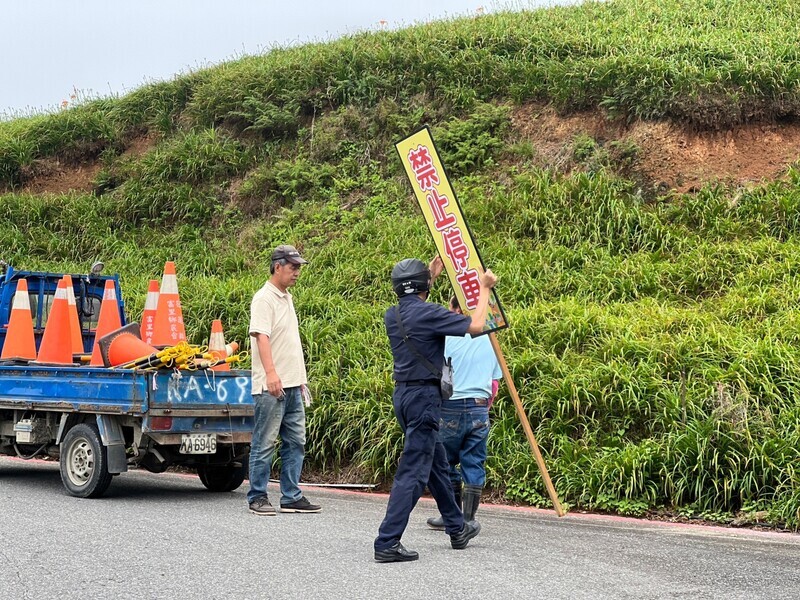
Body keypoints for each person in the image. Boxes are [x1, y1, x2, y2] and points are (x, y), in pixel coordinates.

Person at [374, 256, 497, 563]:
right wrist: (484, 289)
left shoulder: (393, 315)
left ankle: (457, 528)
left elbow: (413, 296)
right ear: (424, 287)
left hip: (403, 397)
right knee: (414, 471)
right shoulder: (429, 313)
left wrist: (431, 275)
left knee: (437, 464)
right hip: (425, 400)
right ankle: (387, 541)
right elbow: (478, 324)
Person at [247, 244, 321, 516]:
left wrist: (298, 379)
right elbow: (261, 337)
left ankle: (291, 496)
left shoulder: (285, 296)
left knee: (296, 441)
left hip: (292, 383)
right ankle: (257, 496)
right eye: (293, 267)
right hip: (272, 386)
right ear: (277, 266)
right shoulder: (264, 298)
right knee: (264, 442)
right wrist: (271, 374)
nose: (297, 272)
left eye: (299, 267)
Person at [426, 295, 502, 531]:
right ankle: (468, 519)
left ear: (456, 310)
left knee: (444, 462)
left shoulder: (447, 337)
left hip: (450, 405)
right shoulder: (490, 337)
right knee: (474, 462)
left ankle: (452, 514)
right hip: (480, 408)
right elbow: (495, 384)